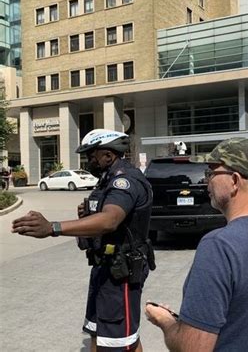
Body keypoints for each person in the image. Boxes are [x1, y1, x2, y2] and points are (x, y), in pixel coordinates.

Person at [145, 137, 248, 351]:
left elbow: (193, 348)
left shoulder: (220, 245)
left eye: (212, 173)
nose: (207, 181)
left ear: (234, 180)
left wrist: (165, 321)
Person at [11, 129, 154, 352]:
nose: (89, 161)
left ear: (108, 155)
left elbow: (109, 220)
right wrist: (88, 214)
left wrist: (53, 228)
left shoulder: (124, 181)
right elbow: (103, 215)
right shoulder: (107, 180)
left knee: (118, 342)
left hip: (121, 272)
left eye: (92, 155)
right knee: (99, 332)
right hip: (104, 268)